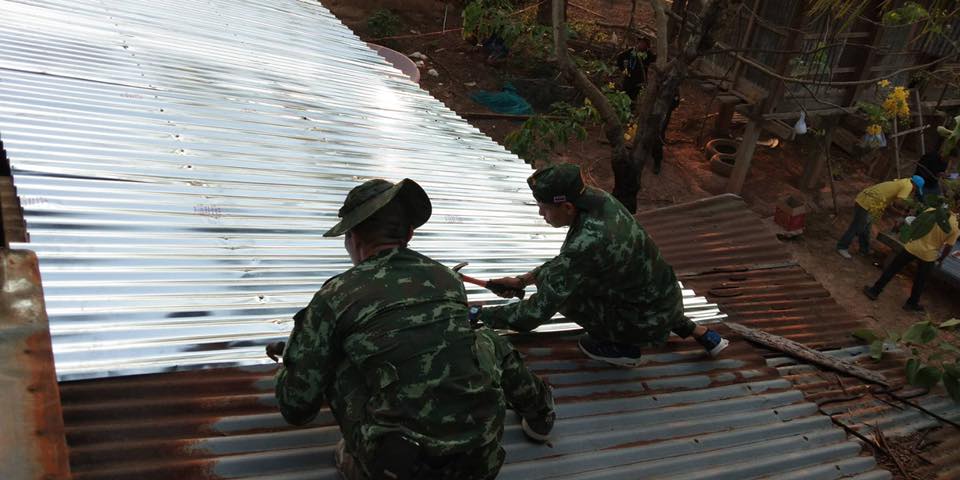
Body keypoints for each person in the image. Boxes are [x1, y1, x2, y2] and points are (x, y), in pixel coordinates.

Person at [269, 178, 555, 480]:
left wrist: (295, 359)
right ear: (409, 233)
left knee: (334, 359)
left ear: (352, 237)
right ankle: (540, 412)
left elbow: (296, 408)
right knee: (485, 339)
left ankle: (358, 462)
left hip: (399, 471)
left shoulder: (335, 295)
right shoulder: (448, 279)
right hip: (481, 463)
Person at [473, 164, 729, 367]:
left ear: (567, 206)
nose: (541, 215)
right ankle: (696, 331)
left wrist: (479, 316)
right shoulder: (599, 200)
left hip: (645, 315)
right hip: (663, 298)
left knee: (566, 296)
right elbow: (569, 264)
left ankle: (622, 349)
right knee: (575, 281)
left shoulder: (589, 241)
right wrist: (522, 281)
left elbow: (534, 314)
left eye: (544, 208)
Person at [862, 200, 959, 312]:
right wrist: (941, 259)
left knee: (892, 269)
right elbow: (948, 247)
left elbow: (916, 223)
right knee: (920, 281)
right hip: (928, 255)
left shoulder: (931, 210)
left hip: (912, 246)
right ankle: (911, 303)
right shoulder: (955, 226)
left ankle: (874, 291)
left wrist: (911, 238)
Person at [836, 176, 924, 259]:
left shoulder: (902, 182)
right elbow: (900, 201)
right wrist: (907, 208)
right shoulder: (908, 186)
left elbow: (888, 204)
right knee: (857, 227)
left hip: (868, 200)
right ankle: (842, 247)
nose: (914, 191)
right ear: (915, 186)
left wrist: (899, 213)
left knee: (866, 228)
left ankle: (864, 250)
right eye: (915, 189)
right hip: (867, 203)